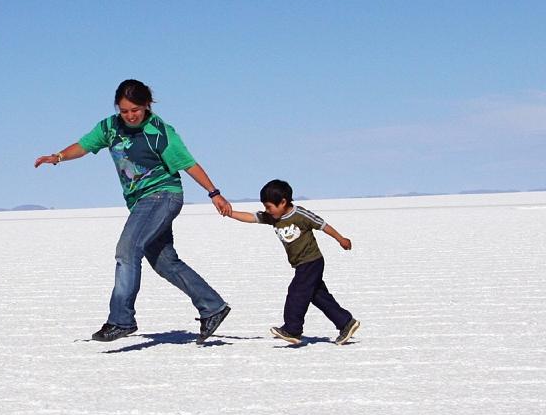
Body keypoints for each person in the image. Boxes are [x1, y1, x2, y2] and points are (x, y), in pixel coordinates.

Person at [35, 80, 231, 343]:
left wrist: (214, 193)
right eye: (124, 110)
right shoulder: (110, 127)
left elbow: (188, 163)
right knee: (165, 263)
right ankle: (212, 306)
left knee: (127, 251)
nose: (130, 115)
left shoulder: (160, 132)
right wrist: (58, 156)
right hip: (140, 202)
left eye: (135, 110)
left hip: (162, 195)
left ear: (147, 105)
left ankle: (121, 320)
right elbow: (83, 145)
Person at [225, 179, 359, 345]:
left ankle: (292, 330)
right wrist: (229, 213)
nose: (267, 210)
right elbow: (251, 217)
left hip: (312, 261)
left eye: (269, 206)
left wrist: (341, 239)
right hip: (301, 264)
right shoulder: (273, 217)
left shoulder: (300, 215)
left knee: (296, 292)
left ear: (283, 202)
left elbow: (323, 225)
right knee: (318, 296)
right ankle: (346, 323)